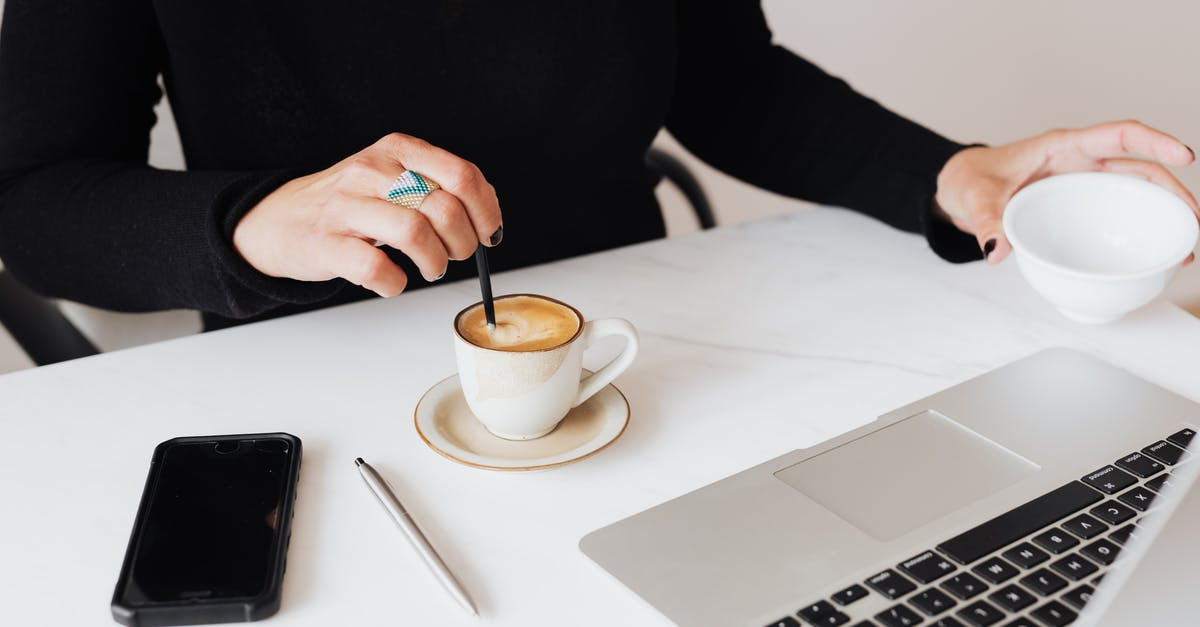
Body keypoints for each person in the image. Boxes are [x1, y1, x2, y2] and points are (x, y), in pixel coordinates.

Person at [0, 1, 1194, 332]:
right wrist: (248, 226)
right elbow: (37, 201)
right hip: (307, 383)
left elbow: (726, 78)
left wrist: (953, 172)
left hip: (635, 347)